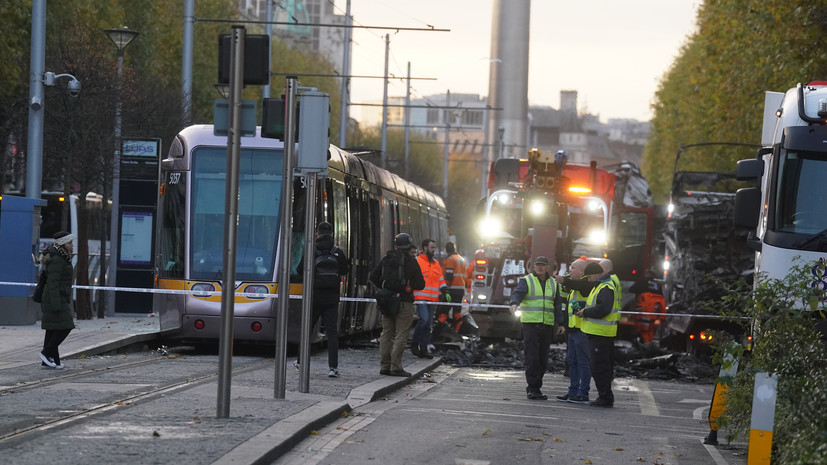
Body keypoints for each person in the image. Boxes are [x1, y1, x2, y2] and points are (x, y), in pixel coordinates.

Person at [296, 221, 349, 377]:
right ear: (332, 234)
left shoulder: (311, 251)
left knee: (307, 330)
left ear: (317, 234)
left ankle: (300, 361)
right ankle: (333, 367)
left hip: (314, 297)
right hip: (332, 299)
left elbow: (299, 270)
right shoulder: (338, 252)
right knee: (332, 334)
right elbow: (344, 271)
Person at [370, 233, 425, 377]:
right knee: (401, 334)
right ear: (409, 246)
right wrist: (408, 286)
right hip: (404, 302)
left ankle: (384, 366)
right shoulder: (411, 261)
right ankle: (396, 366)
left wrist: (385, 289)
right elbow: (421, 284)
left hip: (387, 302)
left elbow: (373, 277)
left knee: (386, 334)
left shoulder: (387, 258)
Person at [508, 256, 563, 400]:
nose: (539, 267)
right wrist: (514, 303)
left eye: (542, 265)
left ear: (547, 267)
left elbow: (557, 304)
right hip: (531, 325)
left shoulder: (554, 283)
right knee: (532, 358)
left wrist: (561, 323)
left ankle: (536, 387)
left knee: (543, 359)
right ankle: (533, 388)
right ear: (533, 267)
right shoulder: (526, 280)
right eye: (537, 265)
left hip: (546, 325)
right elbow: (518, 293)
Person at [575, 261, 620, 408]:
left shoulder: (605, 287)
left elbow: (603, 309)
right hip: (598, 334)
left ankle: (605, 397)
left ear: (596, 274)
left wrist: (585, 312)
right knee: (600, 366)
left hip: (601, 334)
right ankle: (605, 396)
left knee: (599, 367)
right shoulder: (601, 286)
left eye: (589, 277)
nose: (589, 280)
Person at [554, 259, 591, 404]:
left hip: (582, 330)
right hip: (573, 329)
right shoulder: (575, 287)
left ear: (582, 271)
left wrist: (564, 280)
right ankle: (573, 391)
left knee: (582, 362)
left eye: (573, 268)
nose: (570, 270)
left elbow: (579, 286)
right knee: (573, 362)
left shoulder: (585, 284)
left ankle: (583, 393)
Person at [39, 231, 76, 369]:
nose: (72, 245)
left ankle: (50, 361)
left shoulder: (61, 256)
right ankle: (45, 353)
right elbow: (53, 284)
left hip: (56, 297)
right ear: (62, 244)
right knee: (66, 326)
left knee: (52, 328)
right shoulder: (58, 260)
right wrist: (56, 304)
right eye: (70, 243)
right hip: (55, 299)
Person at [412, 239, 448, 358]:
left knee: (428, 324)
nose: (434, 250)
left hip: (432, 298)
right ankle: (415, 343)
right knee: (424, 320)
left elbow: (440, 279)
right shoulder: (417, 261)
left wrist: (444, 290)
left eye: (434, 248)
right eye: (432, 248)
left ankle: (423, 348)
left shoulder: (436, 263)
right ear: (425, 248)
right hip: (421, 296)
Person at [629, 269, 666, 343]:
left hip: (645, 310)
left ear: (646, 274)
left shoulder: (641, 281)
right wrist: (662, 315)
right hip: (654, 311)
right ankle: (649, 344)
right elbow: (662, 300)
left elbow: (631, 289)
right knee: (650, 329)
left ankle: (645, 346)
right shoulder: (657, 285)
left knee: (643, 329)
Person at [441, 241, 467, 331]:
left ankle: (439, 330)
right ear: (455, 248)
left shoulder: (450, 259)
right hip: (460, 289)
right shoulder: (461, 259)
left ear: (446, 250)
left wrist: (445, 288)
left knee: (444, 311)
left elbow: (449, 276)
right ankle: (456, 331)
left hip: (452, 289)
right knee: (457, 311)